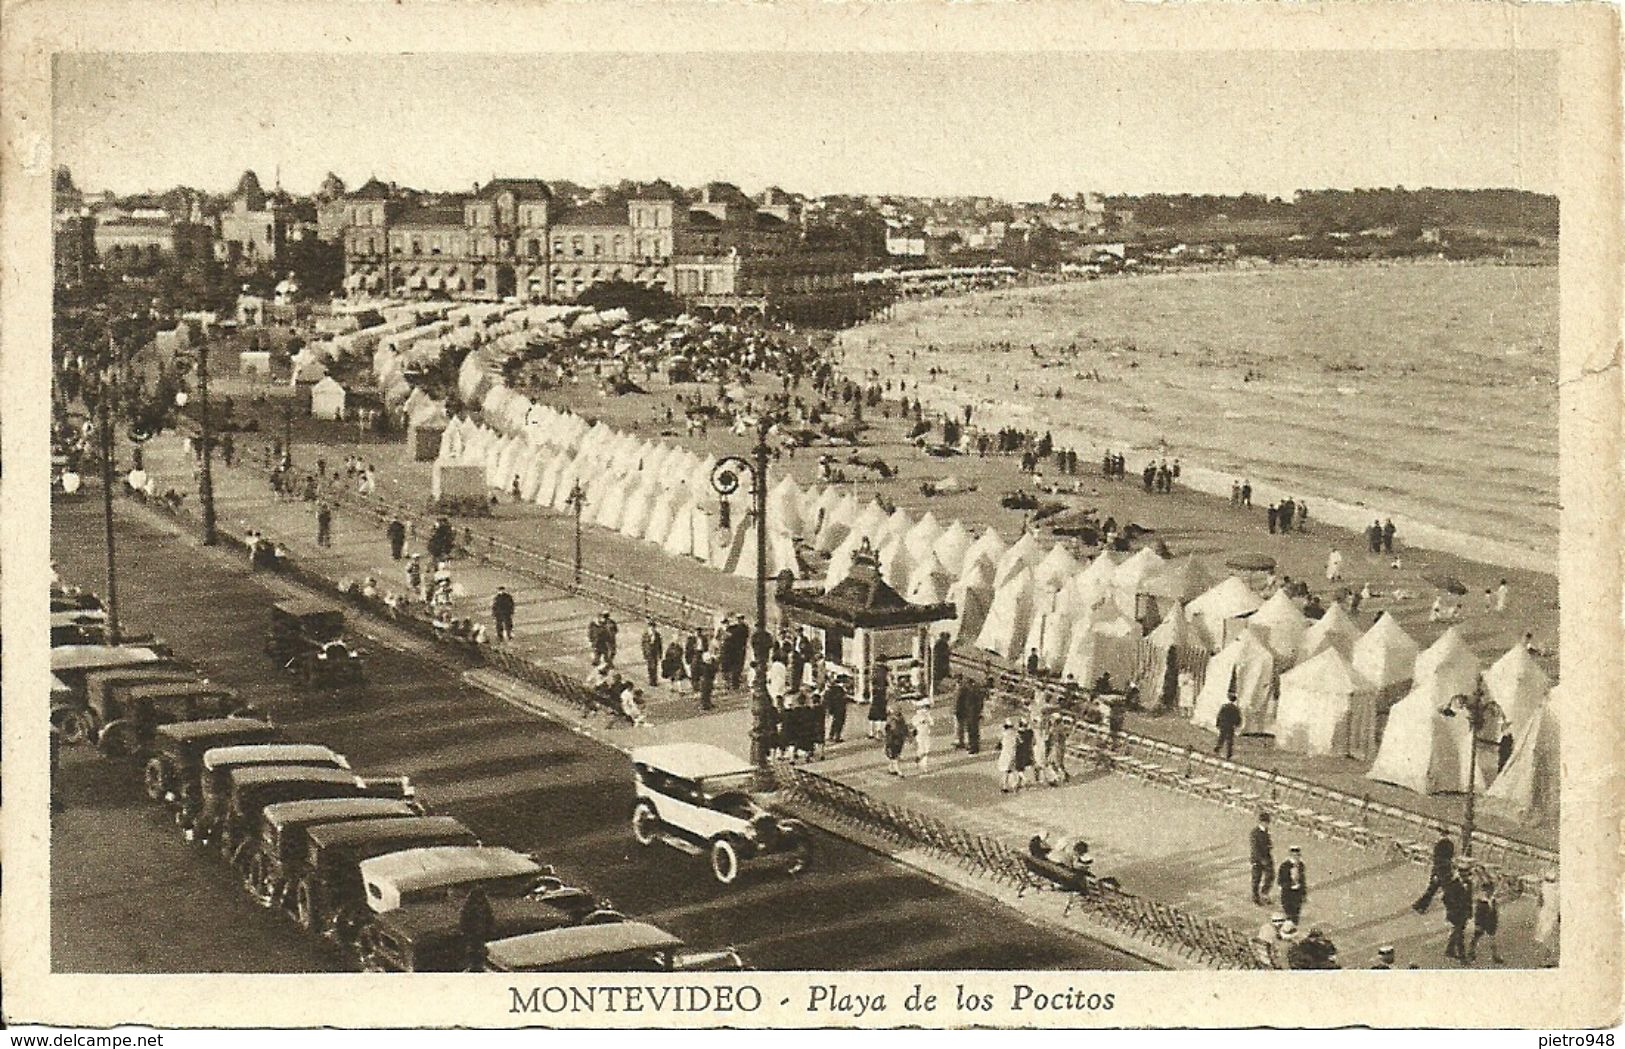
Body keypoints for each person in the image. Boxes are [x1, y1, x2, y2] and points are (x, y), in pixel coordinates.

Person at [1412, 827, 1456, 913]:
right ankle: (1420, 905)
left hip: (1439, 870)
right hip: (1446, 870)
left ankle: (1420, 905)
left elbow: (1437, 860)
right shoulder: (1450, 844)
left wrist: (1435, 873)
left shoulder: (1439, 845)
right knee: (1437, 889)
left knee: (1433, 889)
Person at [1470, 872, 1505, 964]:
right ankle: (1471, 952)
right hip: (1482, 921)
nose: (1489, 892)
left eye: (1490, 891)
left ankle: (1494, 955)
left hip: (1491, 922)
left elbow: (1495, 912)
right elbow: (1478, 914)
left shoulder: (1492, 900)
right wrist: (1477, 923)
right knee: (1476, 937)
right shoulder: (1482, 902)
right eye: (1487, 891)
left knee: (1491, 939)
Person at [1442, 864, 1473, 963]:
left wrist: (1470, 911)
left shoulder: (1469, 884)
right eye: (1463, 875)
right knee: (1459, 934)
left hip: (1463, 913)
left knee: (1457, 932)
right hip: (1455, 913)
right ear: (1459, 874)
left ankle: (1449, 950)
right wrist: (1452, 908)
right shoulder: (1453, 884)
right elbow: (1445, 898)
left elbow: (1469, 899)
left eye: (1466, 875)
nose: (1465, 877)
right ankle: (1462, 956)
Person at [1277, 845, 1308, 923]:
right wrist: (1291, 885)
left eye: (1298, 855)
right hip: (1288, 894)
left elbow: (1302, 880)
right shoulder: (1284, 866)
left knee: (1296, 914)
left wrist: (1304, 893)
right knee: (1289, 914)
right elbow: (1281, 882)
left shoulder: (1301, 865)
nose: (1296, 858)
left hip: (1298, 894)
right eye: (1294, 856)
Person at [1250, 812, 1275, 905]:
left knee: (1271, 876)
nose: (1266, 824)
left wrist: (1269, 846)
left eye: (1267, 822)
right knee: (1256, 879)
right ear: (1261, 822)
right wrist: (1261, 859)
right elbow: (1255, 849)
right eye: (1265, 822)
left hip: (1267, 857)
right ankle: (1255, 897)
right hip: (1257, 859)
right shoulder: (1254, 833)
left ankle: (1264, 893)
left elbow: (1267, 842)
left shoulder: (1266, 831)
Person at [883, 707, 910, 777]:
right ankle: (898, 771)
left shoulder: (900, 720)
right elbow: (890, 732)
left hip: (898, 740)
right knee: (895, 756)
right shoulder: (893, 721)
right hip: (894, 741)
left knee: (895, 755)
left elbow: (905, 729)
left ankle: (891, 768)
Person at [1215, 694, 1243, 760]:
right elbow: (1238, 718)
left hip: (1224, 724)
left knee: (1222, 737)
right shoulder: (1236, 709)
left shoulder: (1224, 706)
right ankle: (1229, 753)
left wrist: (1218, 723)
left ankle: (1218, 748)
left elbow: (1219, 715)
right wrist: (1237, 724)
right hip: (1230, 725)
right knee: (1229, 740)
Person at [823, 674, 850, 743]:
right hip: (839, 708)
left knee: (835, 722)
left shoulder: (831, 689)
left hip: (835, 708)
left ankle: (832, 735)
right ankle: (836, 736)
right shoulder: (839, 689)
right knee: (839, 722)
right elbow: (843, 698)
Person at [867, 662, 890, 739]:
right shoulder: (885, 671)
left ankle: (871, 732)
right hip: (882, 693)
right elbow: (889, 683)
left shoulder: (874, 671)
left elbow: (871, 683)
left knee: (873, 713)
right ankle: (879, 732)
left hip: (875, 693)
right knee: (881, 713)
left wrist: (870, 696)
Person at [997, 720, 1021, 793]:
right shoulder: (1015, 734)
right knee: (1012, 770)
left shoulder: (1003, 734)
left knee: (1005, 771)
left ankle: (1005, 786)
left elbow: (999, 745)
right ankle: (1014, 785)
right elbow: (1020, 742)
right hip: (1013, 753)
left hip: (1005, 754)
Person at [911, 701, 935, 774]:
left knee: (926, 751)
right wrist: (920, 722)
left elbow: (932, 724)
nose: (926, 710)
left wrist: (928, 718)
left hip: (926, 736)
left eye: (927, 709)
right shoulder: (916, 717)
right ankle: (918, 760)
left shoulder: (928, 716)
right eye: (924, 708)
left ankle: (924, 767)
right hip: (919, 736)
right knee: (921, 750)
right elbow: (914, 724)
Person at [640, 620, 663, 687]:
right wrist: (644, 653)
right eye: (650, 627)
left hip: (654, 653)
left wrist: (660, 653)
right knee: (650, 667)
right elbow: (643, 645)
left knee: (655, 667)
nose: (652, 629)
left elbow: (660, 645)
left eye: (653, 627)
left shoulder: (657, 635)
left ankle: (654, 680)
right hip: (648, 653)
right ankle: (651, 679)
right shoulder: (646, 635)